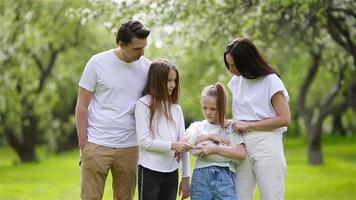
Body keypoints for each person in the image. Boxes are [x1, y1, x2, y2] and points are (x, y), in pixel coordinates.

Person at [75, 20, 151, 200]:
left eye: (144, 48)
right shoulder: (97, 63)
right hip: (96, 144)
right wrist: (83, 144)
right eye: (136, 49)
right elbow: (82, 105)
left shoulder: (147, 67)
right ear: (121, 44)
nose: (142, 53)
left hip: (130, 147)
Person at [224, 37, 291, 200]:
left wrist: (247, 125)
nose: (231, 70)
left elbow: (284, 118)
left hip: (267, 145)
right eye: (228, 65)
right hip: (241, 147)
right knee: (239, 196)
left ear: (247, 61)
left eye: (234, 65)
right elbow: (244, 112)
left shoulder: (271, 81)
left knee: (271, 196)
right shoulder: (236, 81)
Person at [134, 59, 192, 200]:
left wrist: (185, 177)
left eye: (174, 80)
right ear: (157, 80)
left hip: (172, 172)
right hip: (149, 171)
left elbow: (183, 145)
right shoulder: (143, 105)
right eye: (168, 80)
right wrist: (172, 145)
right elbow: (144, 141)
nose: (173, 85)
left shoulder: (176, 109)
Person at [180, 82, 247, 200]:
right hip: (201, 177)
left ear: (222, 107)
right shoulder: (198, 126)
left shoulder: (230, 127)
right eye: (204, 108)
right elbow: (186, 144)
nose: (208, 112)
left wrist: (214, 148)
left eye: (213, 109)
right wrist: (209, 137)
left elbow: (241, 153)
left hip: (224, 177)